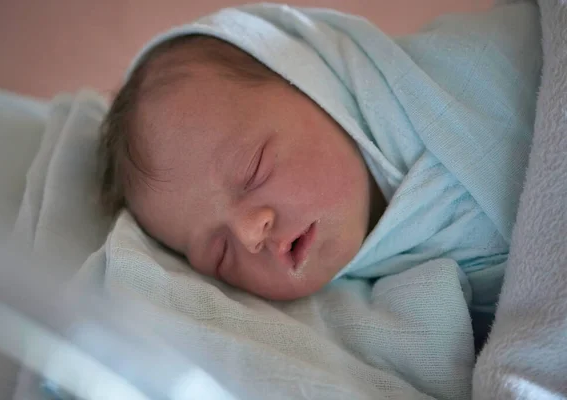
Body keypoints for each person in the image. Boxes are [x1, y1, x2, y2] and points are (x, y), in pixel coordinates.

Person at [97, 3, 541, 308]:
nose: (251, 234)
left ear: (312, 83)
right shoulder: (401, 307)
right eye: (220, 254)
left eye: (254, 170)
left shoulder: (479, 72)